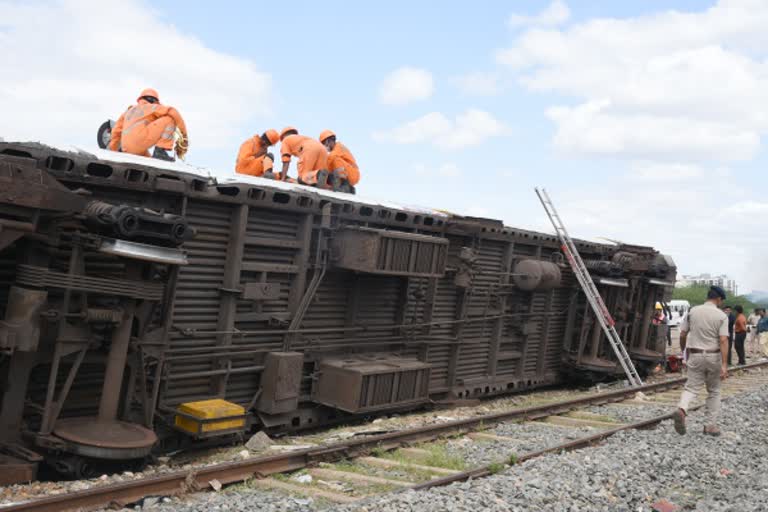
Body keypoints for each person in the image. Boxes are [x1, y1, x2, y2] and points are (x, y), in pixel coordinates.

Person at [673, 285, 729, 436]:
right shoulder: (721, 316)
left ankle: (682, 409)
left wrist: (684, 351)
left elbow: (683, 334)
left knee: (691, 388)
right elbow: (723, 340)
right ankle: (709, 426)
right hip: (713, 356)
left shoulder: (692, 312)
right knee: (714, 391)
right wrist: (724, 365)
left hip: (695, 355)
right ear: (718, 299)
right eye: (721, 301)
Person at [108, 88, 188, 161]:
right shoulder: (152, 107)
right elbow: (173, 111)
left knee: (150, 162)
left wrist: (113, 153)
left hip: (127, 149)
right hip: (140, 143)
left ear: (140, 99)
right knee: (170, 119)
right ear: (155, 101)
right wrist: (184, 136)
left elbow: (115, 132)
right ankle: (160, 150)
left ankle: (157, 155)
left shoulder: (128, 112)